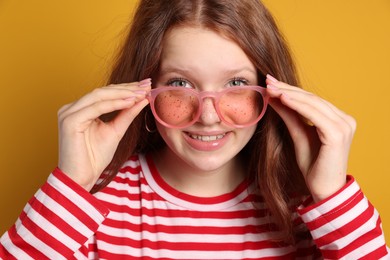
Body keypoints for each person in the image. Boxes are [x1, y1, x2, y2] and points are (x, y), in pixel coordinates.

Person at [1, 0, 389, 259]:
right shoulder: (90, 207)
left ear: (271, 93)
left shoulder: (314, 212)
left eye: (236, 84)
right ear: (144, 90)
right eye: (181, 84)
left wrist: (332, 195)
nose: (207, 115)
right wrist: (71, 184)